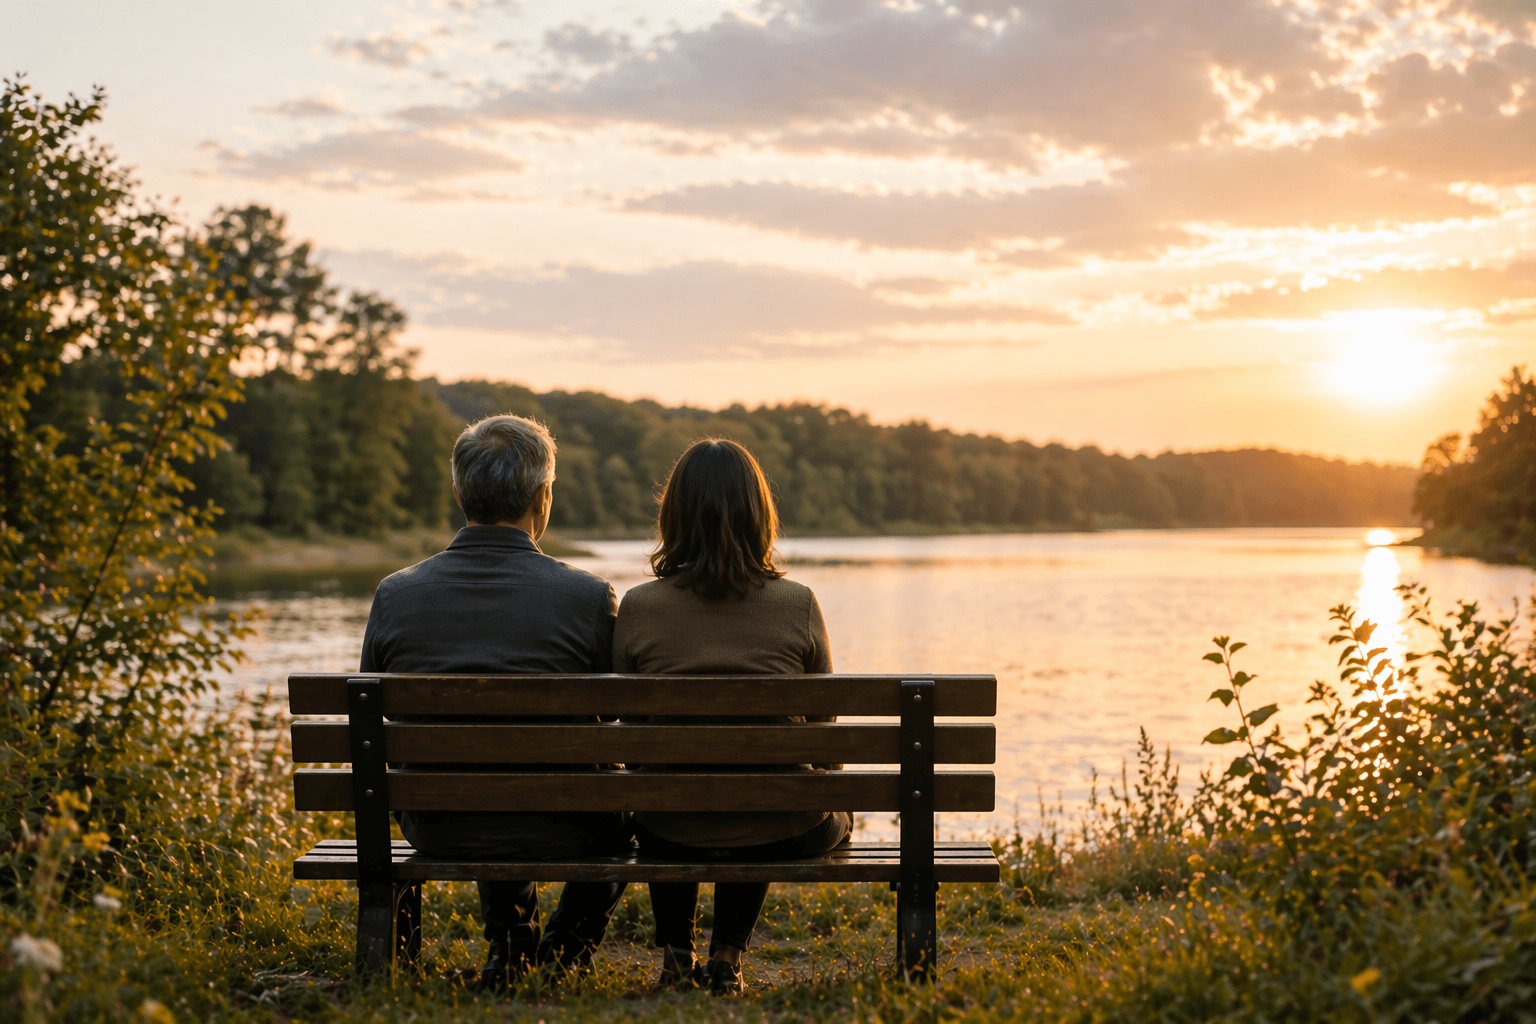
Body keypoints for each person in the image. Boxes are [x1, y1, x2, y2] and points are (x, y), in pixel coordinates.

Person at [359, 414, 630, 988]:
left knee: (480, 767)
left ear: (459, 493)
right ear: (542, 495)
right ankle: (562, 951)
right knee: (623, 805)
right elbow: (613, 717)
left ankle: (511, 947)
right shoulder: (588, 597)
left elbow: (379, 709)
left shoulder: (395, 594)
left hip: (436, 822)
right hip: (566, 825)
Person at [613, 438, 853, 996]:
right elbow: (824, 739)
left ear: (673, 516)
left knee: (670, 792)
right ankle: (726, 957)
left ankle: (676, 954)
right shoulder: (799, 603)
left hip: (664, 829)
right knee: (774, 794)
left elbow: (622, 731)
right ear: (759, 515)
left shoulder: (639, 607)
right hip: (783, 831)